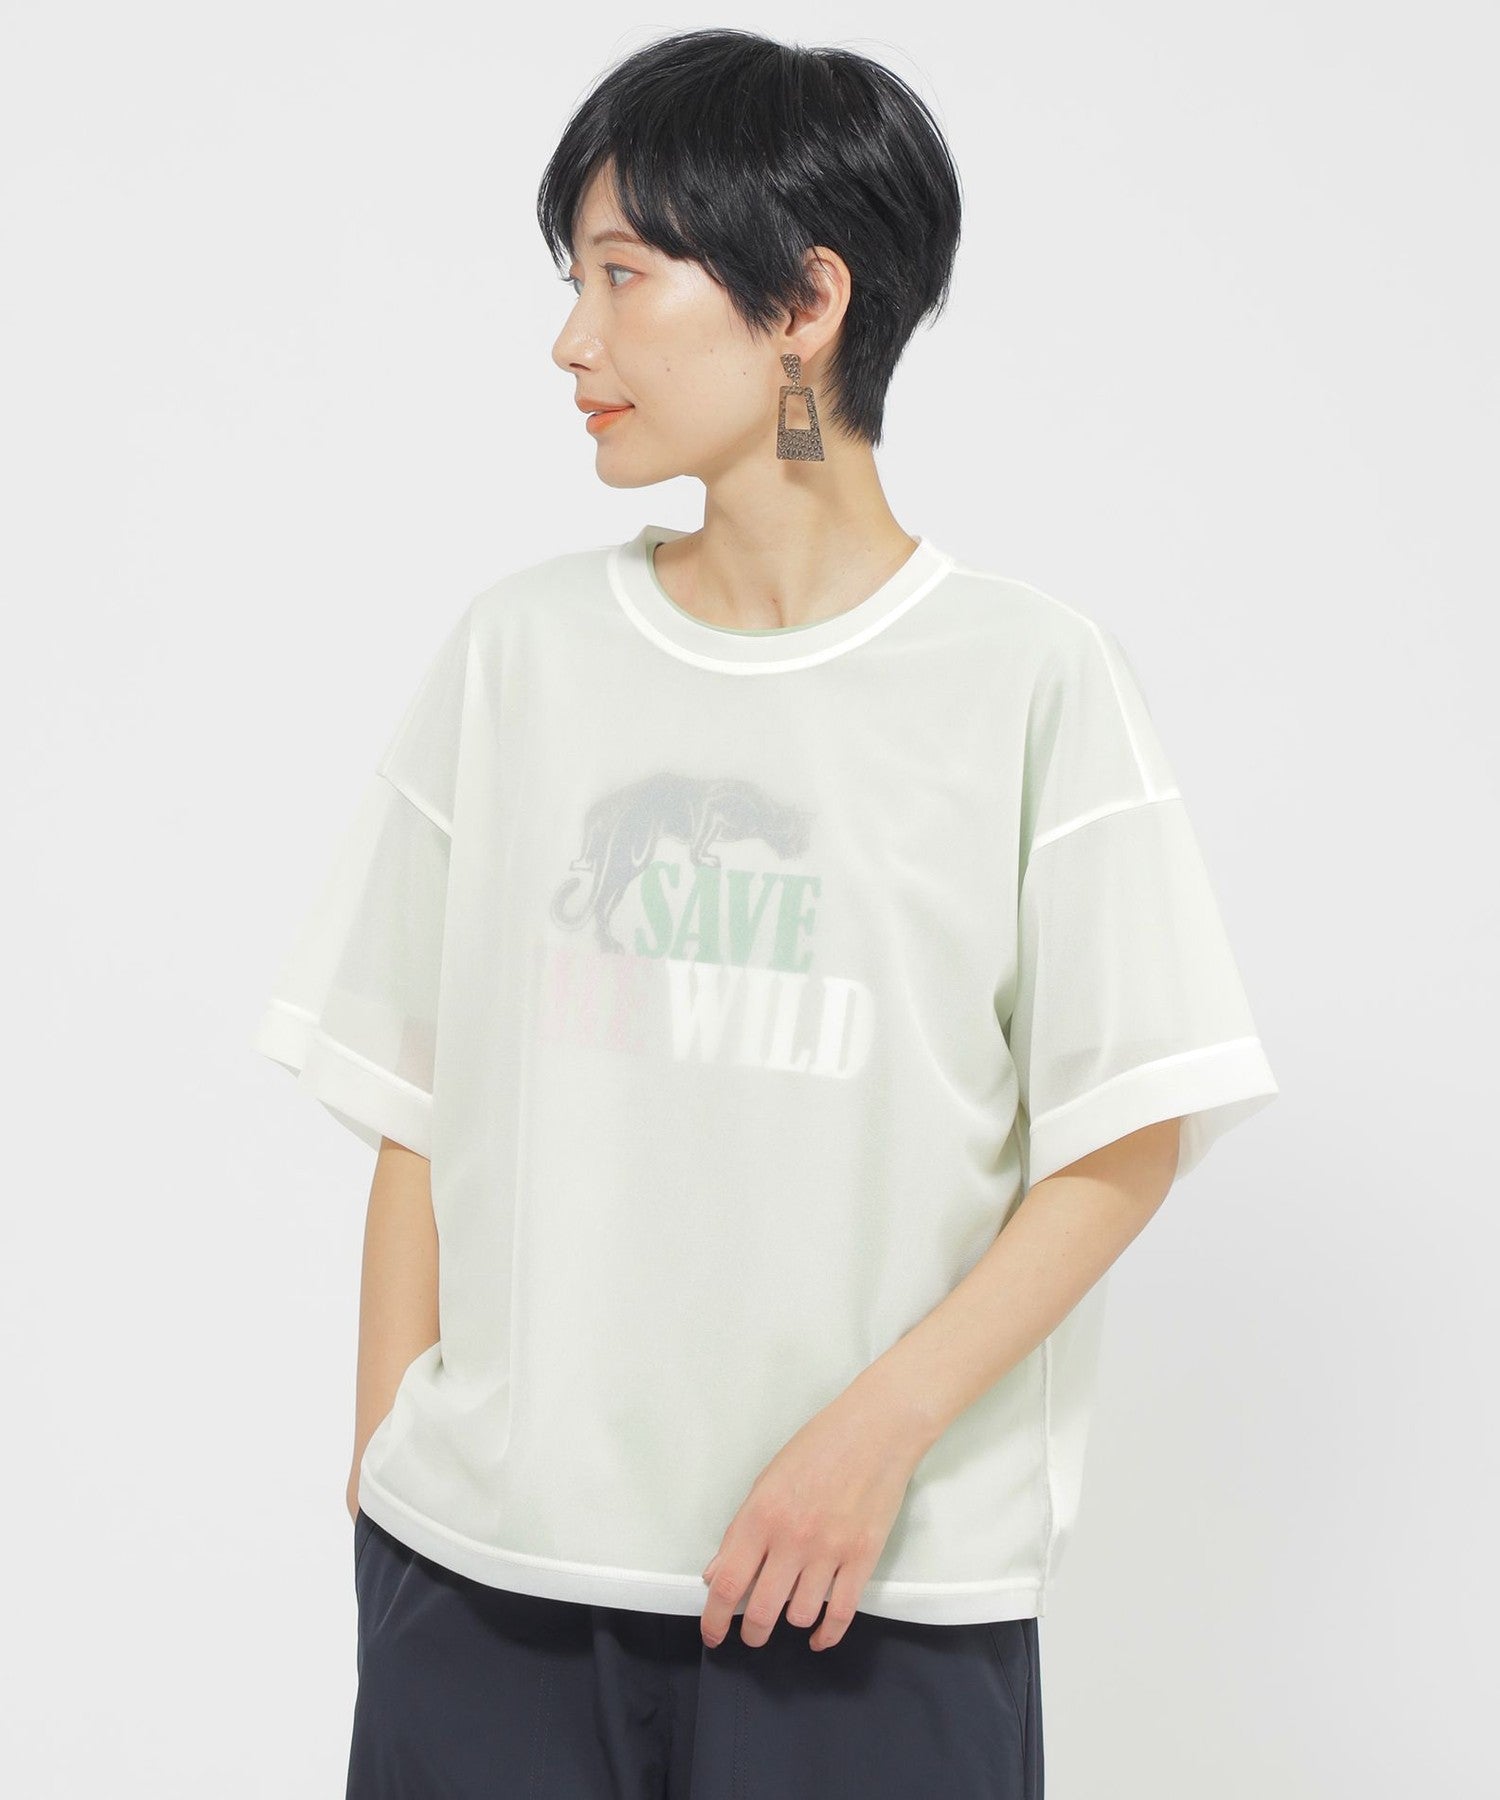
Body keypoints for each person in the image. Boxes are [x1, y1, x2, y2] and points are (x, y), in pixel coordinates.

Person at [252, 26, 1278, 1799]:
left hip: (871, 1600)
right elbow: (415, 1095)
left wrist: (874, 1440)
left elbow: (1127, 1130)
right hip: (488, 1604)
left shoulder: (1029, 682)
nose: (572, 343)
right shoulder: (520, 657)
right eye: (575, 281)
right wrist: (387, 1486)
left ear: (804, 301)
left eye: (622, 276)